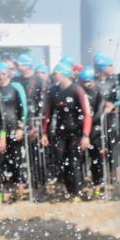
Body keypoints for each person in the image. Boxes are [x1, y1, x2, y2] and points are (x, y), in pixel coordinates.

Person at [42, 63, 92, 201]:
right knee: (60, 161)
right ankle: (69, 190)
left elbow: (87, 113)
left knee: (74, 161)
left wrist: (85, 135)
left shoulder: (77, 90)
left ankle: (77, 193)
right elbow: (47, 114)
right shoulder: (53, 91)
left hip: (76, 132)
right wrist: (44, 133)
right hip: (60, 133)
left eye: (55, 74)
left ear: (63, 74)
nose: (53, 76)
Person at [0, 61, 29, 201]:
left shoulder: (15, 88)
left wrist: (20, 127)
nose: (1, 77)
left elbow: (23, 109)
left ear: (8, 74)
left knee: (16, 160)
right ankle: (3, 191)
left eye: (3, 74)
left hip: (14, 129)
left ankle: (19, 188)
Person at [78, 67, 106, 197]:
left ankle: (97, 184)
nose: (86, 85)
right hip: (82, 129)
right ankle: (81, 184)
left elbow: (100, 112)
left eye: (88, 82)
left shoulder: (98, 92)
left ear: (93, 81)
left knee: (96, 158)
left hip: (95, 130)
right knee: (79, 159)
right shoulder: (79, 92)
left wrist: (88, 124)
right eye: (83, 82)